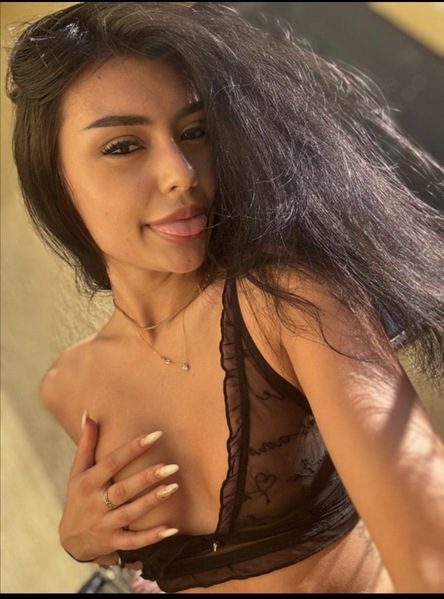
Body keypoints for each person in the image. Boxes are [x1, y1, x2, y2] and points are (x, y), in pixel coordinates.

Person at [5, 1, 444, 594]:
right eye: (124, 146)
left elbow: (431, 561)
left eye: (194, 132)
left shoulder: (288, 299)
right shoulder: (67, 388)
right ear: (55, 178)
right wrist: (86, 546)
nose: (182, 172)